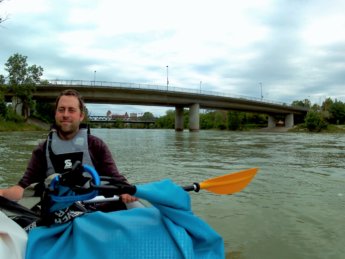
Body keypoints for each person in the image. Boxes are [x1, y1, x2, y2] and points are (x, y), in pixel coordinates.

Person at [0, 89, 137, 204]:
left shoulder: (96, 146)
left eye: (71, 110)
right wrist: (3, 193)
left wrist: (126, 191)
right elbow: (23, 188)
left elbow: (116, 178)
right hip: (56, 217)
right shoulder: (42, 150)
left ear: (81, 116)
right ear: (56, 114)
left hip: (93, 211)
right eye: (61, 110)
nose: (65, 115)